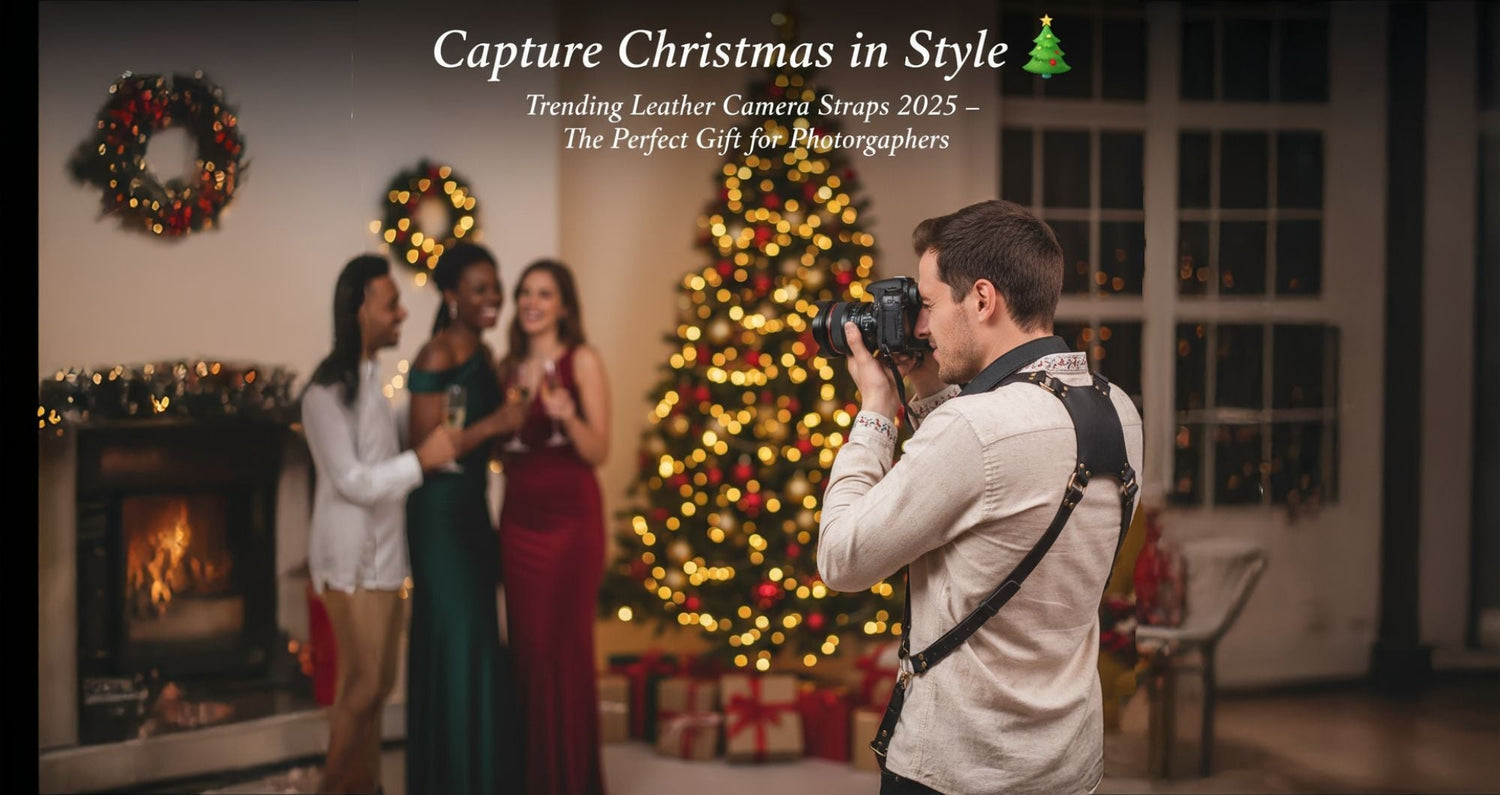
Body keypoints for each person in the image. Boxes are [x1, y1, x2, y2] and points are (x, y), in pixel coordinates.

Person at [817, 200, 1144, 794]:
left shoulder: (975, 430)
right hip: (1067, 765)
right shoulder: (1119, 408)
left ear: (984, 299)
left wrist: (874, 411)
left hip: (958, 768)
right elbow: (996, 499)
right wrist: (924, 387)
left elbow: (842, 559)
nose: (919, 326)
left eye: (930, 304)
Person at [301, 254, 460, 795]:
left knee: (379, 684)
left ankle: (363, 788)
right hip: (352, 562)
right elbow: (351, 479)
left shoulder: (374, 384)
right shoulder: (323, 395)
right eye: (390, 304)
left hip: (390, 559)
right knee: (364, 687)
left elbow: (383, 451)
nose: (401, 313)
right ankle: (332, 787)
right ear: (358, 310)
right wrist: (424, 460)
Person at [404, 242, 526, 795]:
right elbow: (426, 448)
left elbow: (489, 445)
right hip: (439, 517)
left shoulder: (486, 355)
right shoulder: (436, 355)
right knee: (459, 638)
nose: (494, 297)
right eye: (479, 288)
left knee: (479, 637)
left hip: (475, 511)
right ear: (452, 296)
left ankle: (480, 773)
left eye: (495, 286)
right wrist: (496, 422)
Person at [496, 259, 610, 795]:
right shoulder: (505, 368)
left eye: (544, 293)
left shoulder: (581, 361)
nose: (531, 301)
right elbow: (500, 450)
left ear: (564, 305)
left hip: (569, 525)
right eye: (524, 292)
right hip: (518, 522)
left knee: (560, 649)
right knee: (526, 647)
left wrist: (566, 415)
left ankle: (566, 780)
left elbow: (598, 450)